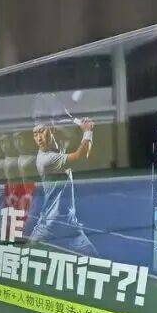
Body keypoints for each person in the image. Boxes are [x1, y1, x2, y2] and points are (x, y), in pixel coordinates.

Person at [25, 92, 97, 254]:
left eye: (41, 132)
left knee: (96, 259)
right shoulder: (45, 159)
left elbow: (81, 147)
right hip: (48, 227)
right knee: (24, 259)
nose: (39, 138)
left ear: (51, 130)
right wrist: (87, 131)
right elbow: (80, 155)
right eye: (35, 134)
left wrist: (82, 126)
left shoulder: (59, 145)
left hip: (70, 226)